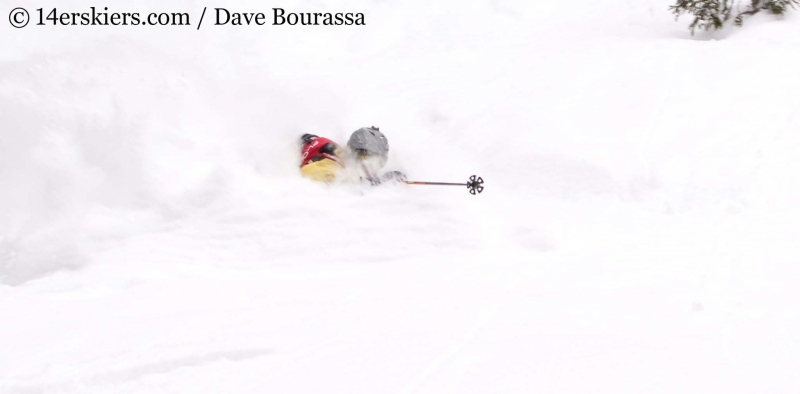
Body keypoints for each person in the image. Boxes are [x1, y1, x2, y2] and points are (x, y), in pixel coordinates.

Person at [299, 126, 406, 185]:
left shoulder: (340, 159)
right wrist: (368, 186)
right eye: (366, 161)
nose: (371, 170)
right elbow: (314, 179)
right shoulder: (328, 162)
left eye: (379, 164)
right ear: (354, 154)